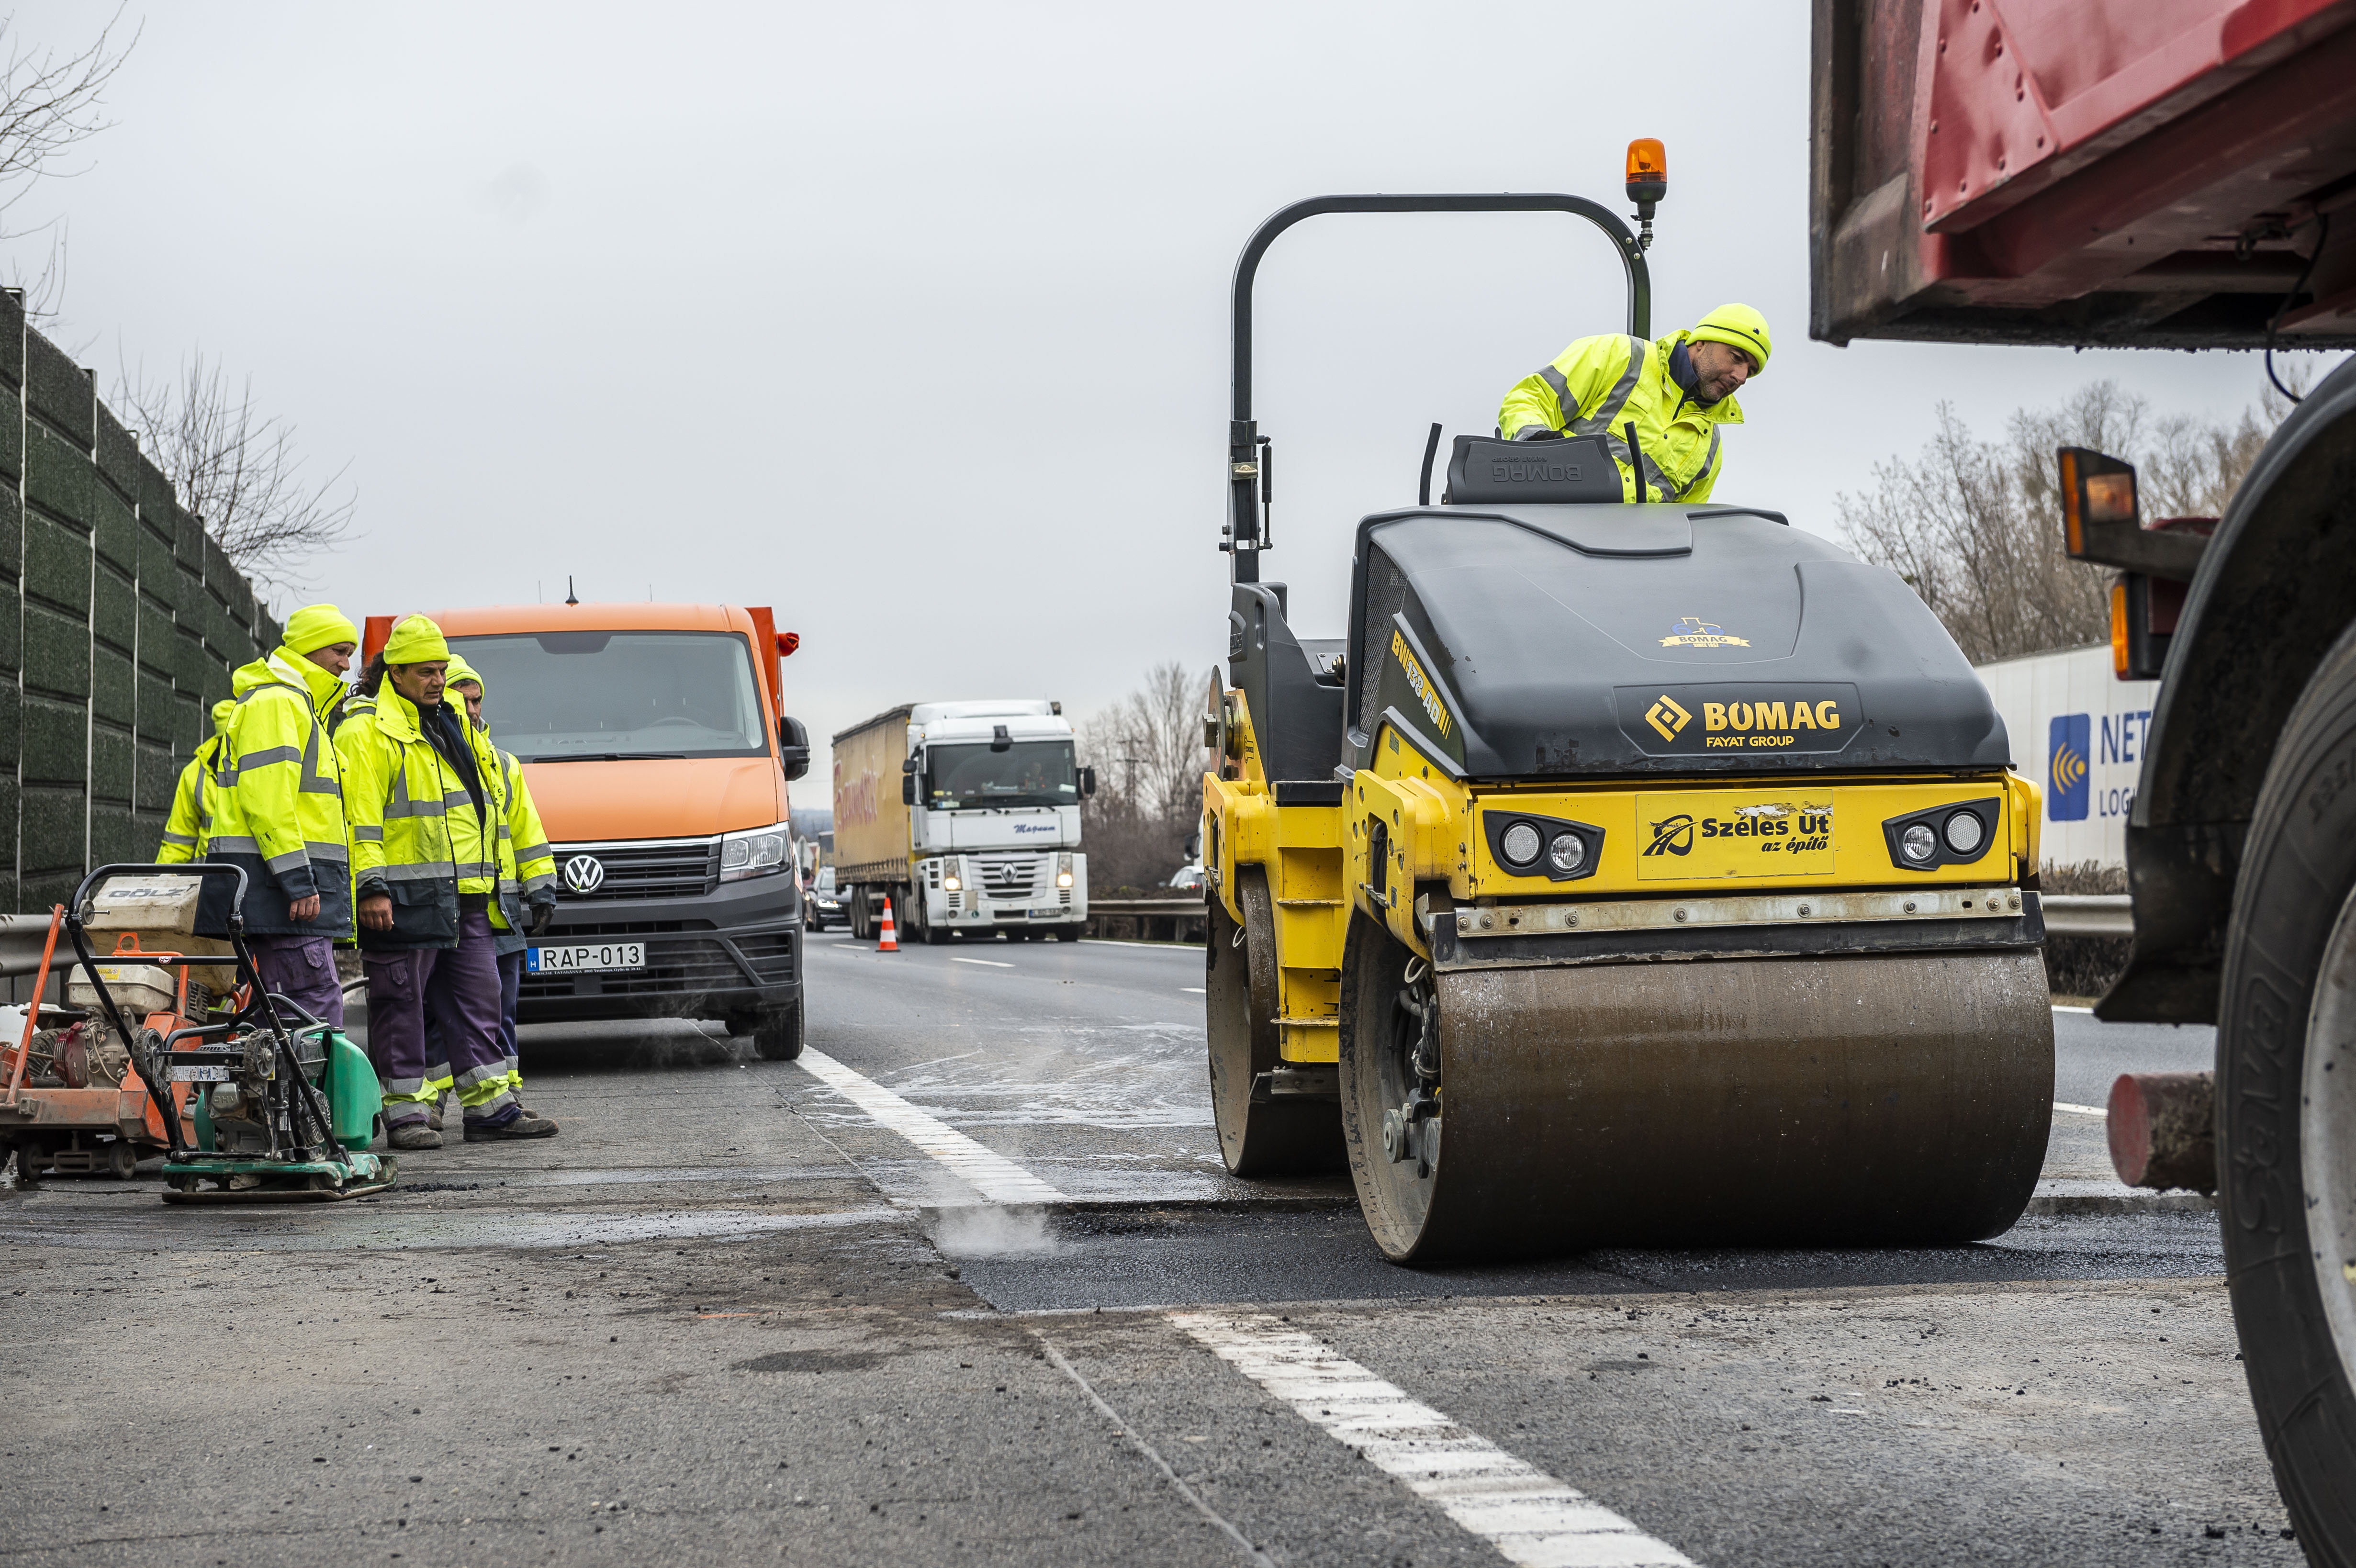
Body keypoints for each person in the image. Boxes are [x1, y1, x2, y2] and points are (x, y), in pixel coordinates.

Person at [335, 614, 557, 1150]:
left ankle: (491, 1108)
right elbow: (359, 819)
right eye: (426, 672)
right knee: (400, 1004)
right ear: (395, 672)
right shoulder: (366, 732)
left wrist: (520, 881)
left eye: (441, 670)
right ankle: (406, 1115)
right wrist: (371, 887)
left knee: (479, 1000)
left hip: (466, 896)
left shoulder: (451, 723)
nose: (438, 681)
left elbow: (490, 810)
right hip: (403, 898)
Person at [206, 604, 359, 1028]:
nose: (346, 665)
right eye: (340, 652)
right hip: (283, 894)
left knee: (282, 1016)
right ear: (310, 648)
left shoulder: (292, 703)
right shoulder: (279, 702)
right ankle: (314, 1080)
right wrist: (298, 881)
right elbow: (268, 801)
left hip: (279, 891)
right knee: (312, 1012)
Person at [1495, 302, 1770, 504]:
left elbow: (1689, 527)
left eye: (1751, 371)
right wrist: (1539, 447)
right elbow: (1528, 400)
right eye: (1737, 358)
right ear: (1702, 342)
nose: (1741, 377)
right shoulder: (1621, 356)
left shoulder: (1709, 448)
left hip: (1620, 559)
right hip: (1545, 526)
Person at [441, 654, 558, 1124]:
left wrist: (542, 889)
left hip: (501, 911)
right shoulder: (432, 761)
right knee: (444, 1015)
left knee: (501, 1011)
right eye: (463, 699)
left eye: (477, 700)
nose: (472, 709)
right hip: (454, 909)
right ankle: (430, 1106)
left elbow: (527, 831)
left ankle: (505, 1097)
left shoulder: (502, 763)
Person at [155, 700, 237, 864]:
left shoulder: (262, 767)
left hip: (250, 876)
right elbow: (178, 840)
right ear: (218, 740)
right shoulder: (195, 773)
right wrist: (163, 876)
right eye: (226, 741)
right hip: (208, 876)